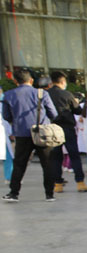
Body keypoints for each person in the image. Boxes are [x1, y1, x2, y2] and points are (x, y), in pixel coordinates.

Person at [2, 68, 58, 202]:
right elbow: (53, 113)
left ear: (15, 81)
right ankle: (49, 194)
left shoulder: (8, 95)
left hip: (22, 134)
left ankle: (14, 193)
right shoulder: (42, 93)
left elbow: (6, 116)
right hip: (42, 133)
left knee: (19, 164)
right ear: (31, 80)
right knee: (47, 164)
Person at [47, 71, 87, 193]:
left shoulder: (46, 94)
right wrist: (76, 101)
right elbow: (77, 111)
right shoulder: (67, 94)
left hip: (52, 129)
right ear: (62, 81)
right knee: (74, 155)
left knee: (55, 157)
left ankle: (58, 184)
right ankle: (80, 183)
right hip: (67, 128)